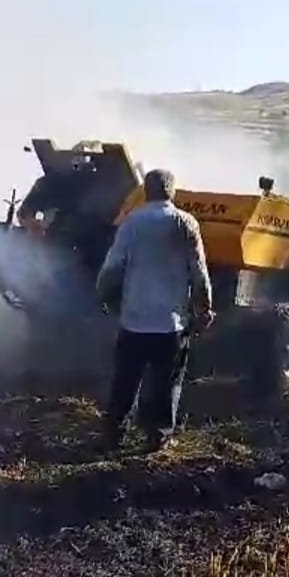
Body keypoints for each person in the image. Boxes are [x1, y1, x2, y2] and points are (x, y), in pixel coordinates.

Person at [96, 168, 214, 452]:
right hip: (171, 324)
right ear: (171, 192)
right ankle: (158, 437)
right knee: (166, 383)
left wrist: (104, 297)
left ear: (146, 191)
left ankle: (114, 434)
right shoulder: (185, 223)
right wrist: (204, 308)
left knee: (125, 381)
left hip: (134, 320)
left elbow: (112, 267)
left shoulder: (131, 222)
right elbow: (199, 271)